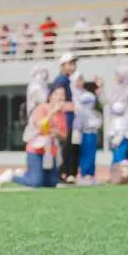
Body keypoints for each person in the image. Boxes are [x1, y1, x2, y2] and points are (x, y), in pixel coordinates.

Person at [0, 86, 68, 189]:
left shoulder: (62, 114)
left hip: (50, 152)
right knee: (36, 183)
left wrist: (57, 133)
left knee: (52, 183)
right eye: (57, 94)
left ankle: (25, 174)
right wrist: (52, 112)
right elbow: (39, 125)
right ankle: (12, 176)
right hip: (36, 149)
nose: (61, 97)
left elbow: (64, 136)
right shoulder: (42, 108)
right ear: (50, 96)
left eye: (63, 95)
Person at [50, 54, 78, 182]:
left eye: (74, 64)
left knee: (66, 148)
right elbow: (58, 102)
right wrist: (74, 107)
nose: (73, 67)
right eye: (70, 64)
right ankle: (61, 174)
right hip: (63, 120)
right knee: (63, 148)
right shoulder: (61, 80)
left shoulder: (65, 80)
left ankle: (63, 174)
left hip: (66, 120)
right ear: (62, 65)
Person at [74, 88, 102, 185]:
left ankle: (91, 174)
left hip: (93, 135)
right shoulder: (81, 113)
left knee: (92, 156)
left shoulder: (94, 113)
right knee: (85, 155)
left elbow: (98, 122)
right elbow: (77, 125)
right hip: (85, 135)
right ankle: (84, 174)